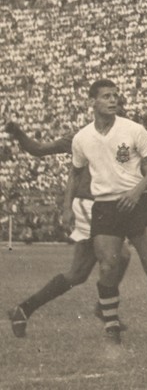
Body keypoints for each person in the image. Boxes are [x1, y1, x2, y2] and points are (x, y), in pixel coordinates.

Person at [69, 79, 147, 345]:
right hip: (105, 206)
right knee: (108, 266)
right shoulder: (81, 138)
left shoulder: (133, 129)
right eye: (106, 96)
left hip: (136, 202)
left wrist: (137, 191)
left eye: (115, 96)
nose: (113, 100)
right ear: (92, 101)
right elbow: (75, 173)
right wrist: (65, 208)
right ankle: (112, 327)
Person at [5, 120, 132, 338]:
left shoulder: (123, 138)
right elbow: (38, 149)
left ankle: (23, 310)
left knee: (79, 273)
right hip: (88, 204)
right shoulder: (80, 136)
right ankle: (104, 307)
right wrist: (18, 133)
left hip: (104, 205)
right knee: (120, 255)